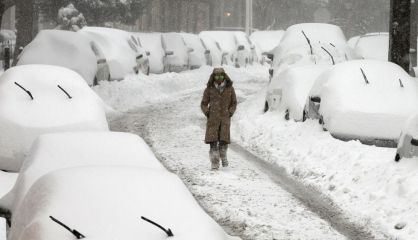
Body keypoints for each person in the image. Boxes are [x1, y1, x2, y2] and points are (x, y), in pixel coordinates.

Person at [201, 68, 237, 170]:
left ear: (224, 76)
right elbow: (203, 103)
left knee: (223, 142)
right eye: (217, 76)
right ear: (213, 77)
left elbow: (234, 102)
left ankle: (223, 156)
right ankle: (214, 163)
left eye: (221, 76)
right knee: (213, 143)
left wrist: (230, 112)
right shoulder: (209, 89)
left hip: (225, 119)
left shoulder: (230, 89)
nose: (219, 78)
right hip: (213, 119)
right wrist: (207, 112)